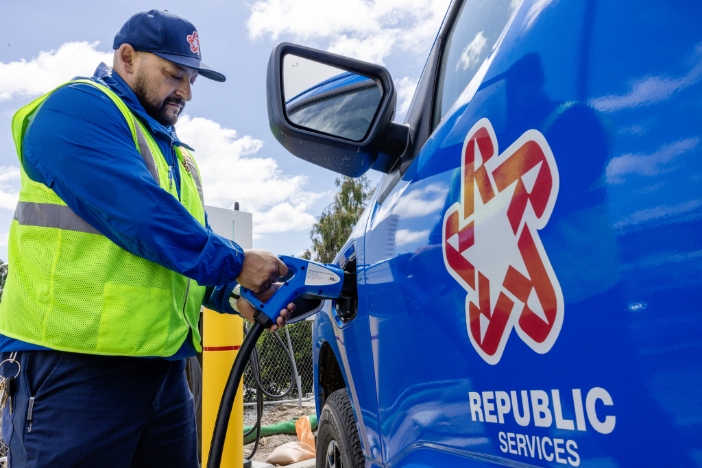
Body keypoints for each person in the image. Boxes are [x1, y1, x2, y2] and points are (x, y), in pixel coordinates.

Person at [0, 10, 293, 467]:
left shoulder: (177, 155)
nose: (187, 92)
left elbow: (176, 261)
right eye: (175, 75)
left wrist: (233, 295)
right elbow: (140, 216)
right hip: (72, 372)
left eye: (192, 79)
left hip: (164, 374)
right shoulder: (76, 110)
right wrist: (237, 264)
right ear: (127, 57)